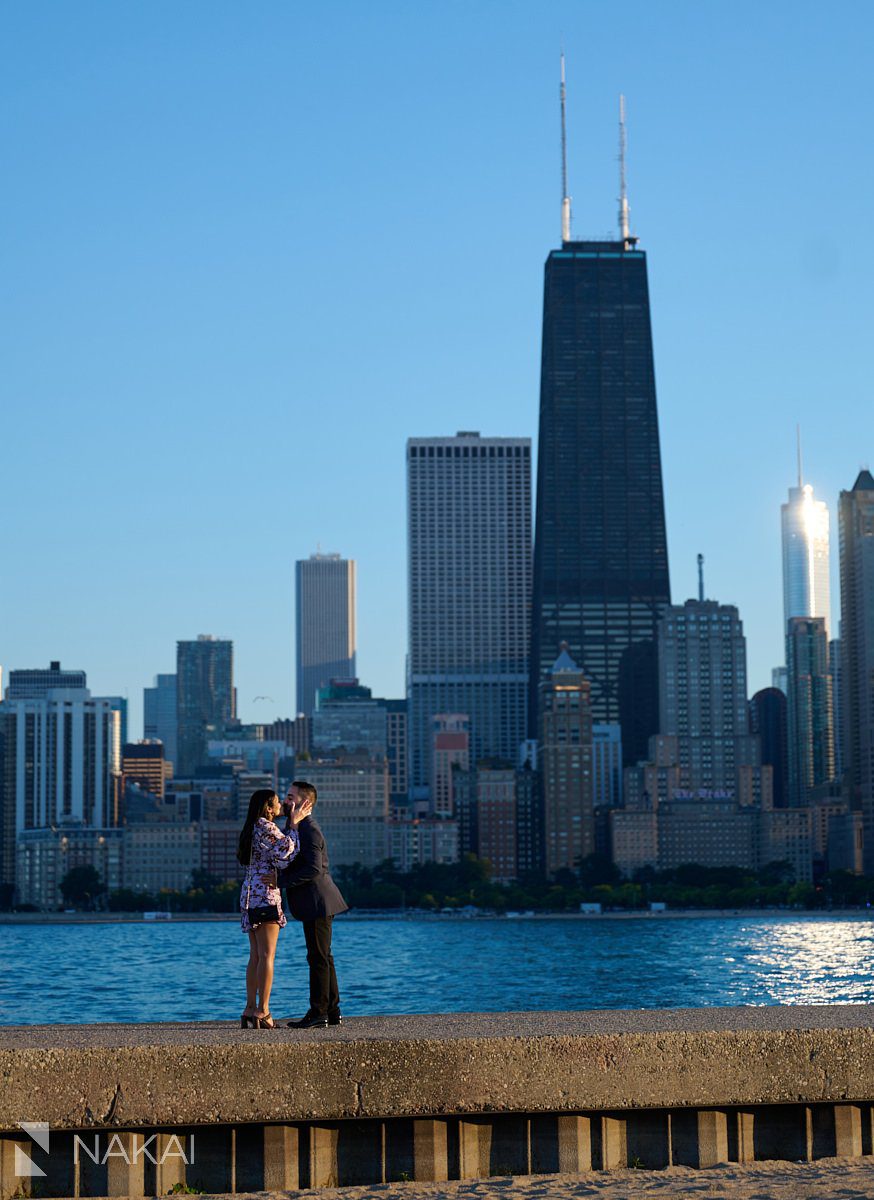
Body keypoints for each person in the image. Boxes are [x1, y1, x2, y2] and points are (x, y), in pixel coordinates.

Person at [237, 787, 313, 1029]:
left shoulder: (251, 827)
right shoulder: (266, 826)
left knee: (255, 956)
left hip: (249, 894)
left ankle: (249, 1008)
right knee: (268, 956)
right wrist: (294, 824)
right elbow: (287, 853)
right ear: (268, 808)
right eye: (277, 803)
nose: (281, 805)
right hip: (265, 895)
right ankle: (264, 1011)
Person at [278, 780, 348, 1029]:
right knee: (323, 957)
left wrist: (280, 881)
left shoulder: (310, 829)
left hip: (318, 901)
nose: (285, 801)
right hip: (314, 902)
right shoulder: (298, 826)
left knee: (318, 958)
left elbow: (313, 868)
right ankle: (332, 1011)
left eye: (290, 796)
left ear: (304, 802)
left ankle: (318, 1012)